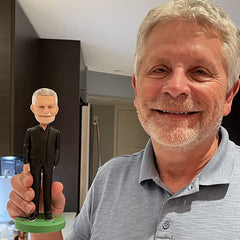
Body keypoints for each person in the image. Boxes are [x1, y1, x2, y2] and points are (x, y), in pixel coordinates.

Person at [7, 0, 240, 239]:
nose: (176, 87)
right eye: (159, 69)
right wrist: (45, 222)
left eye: (200, 71)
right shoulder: (108, 178)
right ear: (137, 89)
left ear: (229, 95)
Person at [23, 88, 61, 222]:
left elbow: (57, 149)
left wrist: (55, 162)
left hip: (49, 164)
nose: (46, 111)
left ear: (56, 109)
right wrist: (26, 163)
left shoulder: (56, 133)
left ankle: (48, 212)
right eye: (41, 106)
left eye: (50, 106)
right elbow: (26, 147)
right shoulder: (31, 131)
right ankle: (33, 213)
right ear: (33, 108)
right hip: (34, 163)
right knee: (34, 188)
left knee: (48, 187)